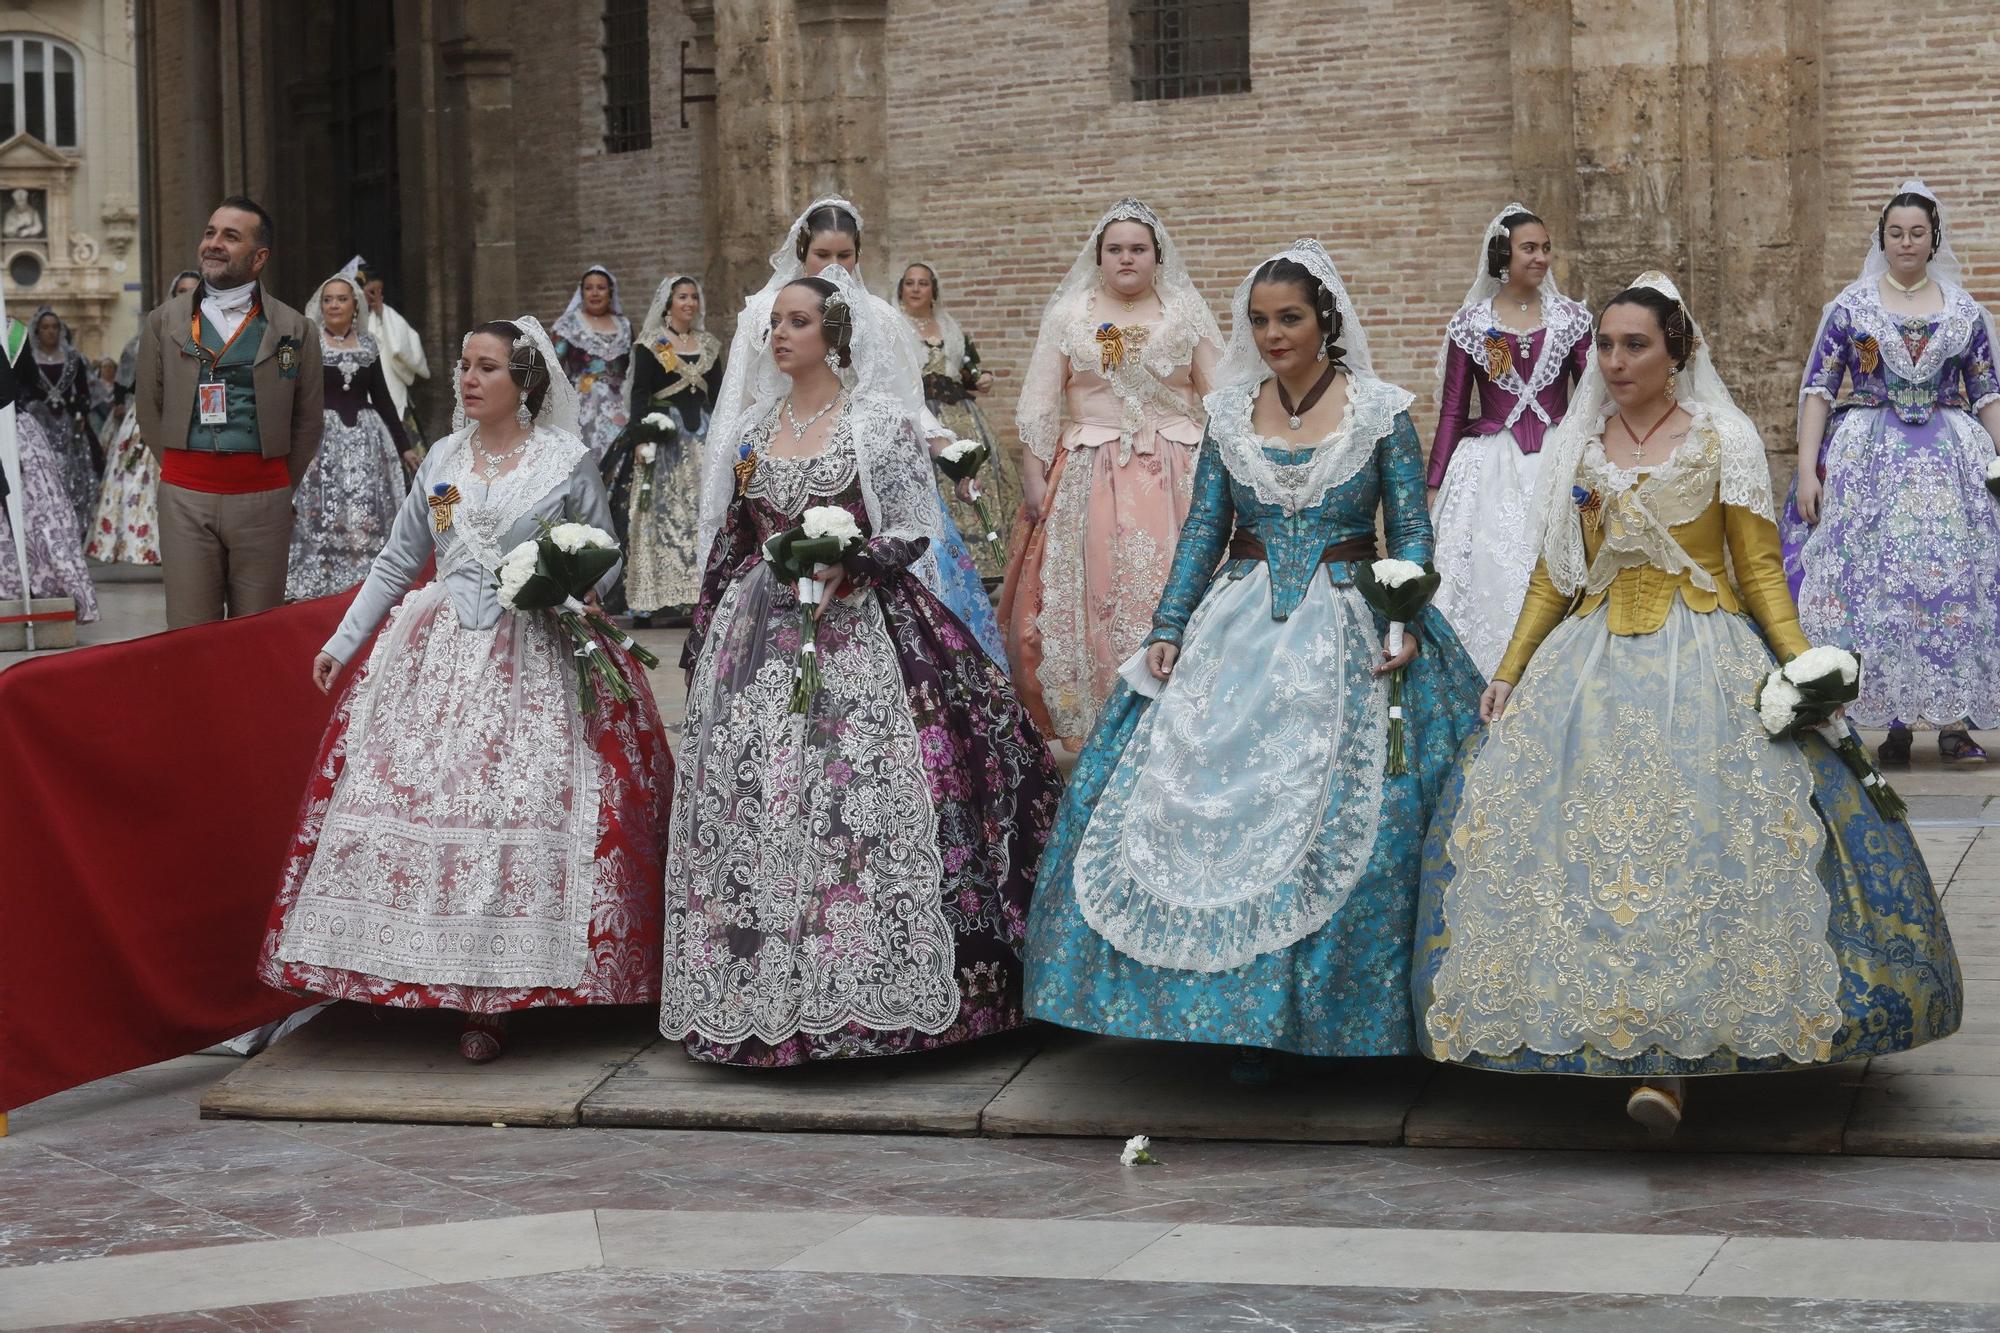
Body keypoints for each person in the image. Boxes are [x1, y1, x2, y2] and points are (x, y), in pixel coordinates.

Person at [1414, 273, 1962, 1137]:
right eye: (1604, 344)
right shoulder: (1577, 446)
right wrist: (1511, 671)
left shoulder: (1723, 439)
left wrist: (1804, 669)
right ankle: (1598, 1028)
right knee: (1570, 850)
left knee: (1701, 846)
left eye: (1635, 344)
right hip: (1586, 664)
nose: (1615, 359)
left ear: (1678, 353)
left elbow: (1757, 572)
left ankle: (1677, 1058)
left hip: (1705, 658)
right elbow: (1556, 574)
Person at [1024, 240, 1483, 1077]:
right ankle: (1217, 1015)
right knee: (1191, 797)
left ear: (1325, 322)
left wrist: (1407, 615)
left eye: (1291, 319)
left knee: (1354, 814)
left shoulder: (1381, 411)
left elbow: (1410, 529)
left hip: (1356, 617)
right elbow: (1204, 528)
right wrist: (1168, 624)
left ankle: (1321, 1019)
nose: (1273, 334)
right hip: (1238, 620)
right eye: (1261, 321)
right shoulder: (1230, 414)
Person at [661, 265, 1060, 1067]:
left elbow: (917, 522)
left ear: (834, 337)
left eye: (798, 322)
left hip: (868, 630)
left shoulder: (876, 423)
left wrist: (857, 560)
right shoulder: (747, 433)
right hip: (764, 636)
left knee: (864, 798)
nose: (780, 334)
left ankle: (890, 986)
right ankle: (764, 993)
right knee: (767, 803)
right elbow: (734, 544)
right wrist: (707, 637)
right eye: (775, 322)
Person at [259, 316, 671, 1063]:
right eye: (464, 367)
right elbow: (399, 559)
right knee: (419, 794)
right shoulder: (444, 458)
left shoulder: (564, 459)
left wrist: (564, 577)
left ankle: (504, 994)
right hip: (441, 651)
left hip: (542, 651)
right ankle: (420, 970)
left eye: (486, 368)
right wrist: (342, 642)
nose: (469, 380)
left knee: (523, 801)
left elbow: (606, 557)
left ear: (525, 384)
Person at [697, 197, 1007, 665]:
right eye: (823, 255)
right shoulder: (764, 310)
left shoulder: (878, 315)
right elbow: (738, 402)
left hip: (860, 474)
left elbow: (904, 400)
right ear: (803, 251)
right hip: (777, 455)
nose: (834, 266)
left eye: (845, 256)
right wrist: (727, 481)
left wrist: (946, 448)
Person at [1782, 180, 2000, 765]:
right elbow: (1818, 391)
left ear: (1934, 241)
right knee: (1876, 587)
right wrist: (1808, 470)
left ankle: (1954, 722)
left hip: (1950, 464)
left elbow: (1986, 392)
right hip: (1868, 461)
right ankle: (1893, 722)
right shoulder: (1851, 307)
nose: (1906, 242)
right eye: (1896, 233)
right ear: (1883, 239)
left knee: (1954, 585)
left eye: (1918, 233)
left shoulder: (1963, 310)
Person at [1002, 198, 1222, 747]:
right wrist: (1033, 476)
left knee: (1170, 581)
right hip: (1088, 472)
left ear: (1157, 256)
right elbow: (1039, 405)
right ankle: (1102, 717)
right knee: (1097, 590)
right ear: (1099, 256)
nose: (1127, 258)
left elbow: (1221, 399)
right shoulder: (1071, 316)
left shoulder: (1186, 313)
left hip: (1175, 469)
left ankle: (1183, 717)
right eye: (1116, 249)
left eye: (1138, 249)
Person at [134, 196, 325, 628]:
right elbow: (149, 407)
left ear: (259, 257)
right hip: (185, 498)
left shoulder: (296, 329)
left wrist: (275, 485)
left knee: (256, 633)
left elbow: (309, 419)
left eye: (230, 236)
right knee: (189, 631)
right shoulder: (163, 322)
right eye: (210, 233)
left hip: (264, 498)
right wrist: (183, 474)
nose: (214, 244)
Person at [1428, 204, 1592, 677]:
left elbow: (1591, 399)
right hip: (1489, 465)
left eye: (1546, 249)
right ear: (1503, 253)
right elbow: (1454, 410)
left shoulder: (1571, 319)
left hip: (1559, 458)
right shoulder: (1473, 324)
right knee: (1490, 571)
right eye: (1529, 249)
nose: (1541, 258)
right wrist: (1434, 482)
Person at [284, 273, 415, 601]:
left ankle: (364, 577)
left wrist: (404, 446)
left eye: (341, 298)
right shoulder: (309, 343)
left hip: (366, 444)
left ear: (355, 305)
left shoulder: (368, 344)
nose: (334, 305)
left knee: (365, 508)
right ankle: (320, 576)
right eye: (328, 299)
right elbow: (295, 396)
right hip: (322, 443)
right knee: (322, 508)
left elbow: (382, 398)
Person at [603, 274, 722, 627]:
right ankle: (649, 599)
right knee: (657, 514)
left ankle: (697, 595)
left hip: (701, 439)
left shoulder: (710, 345)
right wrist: (641, 436)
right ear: (668, 304)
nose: (688, 303)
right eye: (682, 297)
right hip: (663, 438)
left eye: (693, 297)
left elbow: (717, 397)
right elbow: (639, 393)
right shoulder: (650, 345)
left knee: (701, 512)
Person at [899, 261, 1017, 584]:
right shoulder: (895, 327)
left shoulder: (951, 329)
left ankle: (985, 563)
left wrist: (983, 378)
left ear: (933, 290)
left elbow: (970, 370)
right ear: (901, 289)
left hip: (960, 414)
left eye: (923, 283)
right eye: (910, 283)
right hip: (921, 416)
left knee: (976, 472)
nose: (916, 289)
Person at [89, 272, 201, 568]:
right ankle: (146, 544)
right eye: (181, 290)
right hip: (151, 418)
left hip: (199, 417)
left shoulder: (215, 332)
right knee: (142, 481)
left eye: (193, 290)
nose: (186, 295)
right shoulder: (150, 333)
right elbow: (130, 381)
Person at [0, 349, 99, 621]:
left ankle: (36, 585)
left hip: (12, 430)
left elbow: (20, 383)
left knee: (34, 509)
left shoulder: (13, 337)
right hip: (15, 426)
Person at [13, 305, 100, 538]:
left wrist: (80, 412)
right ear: (37, 331)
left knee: (72, 474)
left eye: (54, 327)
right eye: (45, 327)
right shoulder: (28, 358)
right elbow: (22, 389)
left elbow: (84, 391)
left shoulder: (74, 359)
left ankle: (76, 524)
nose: (50, 331)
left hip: (70, 426)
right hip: (38, 427)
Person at [551, 265, 632, 461]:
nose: (595, 293)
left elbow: (631, 366)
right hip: (583, 403)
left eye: (601, 288)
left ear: (610, 292)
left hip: (619, 404)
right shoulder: (568, 325)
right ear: (582, 292)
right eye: (589, 288)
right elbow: (553, 367)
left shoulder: (624, 325)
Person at [355, 261, 430, 441]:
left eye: (379, 291)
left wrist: (382, 315)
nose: (375, 296)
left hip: (390, 388)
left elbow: (402, 349)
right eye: (371, 292)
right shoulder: (350, 321)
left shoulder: (390, 317)